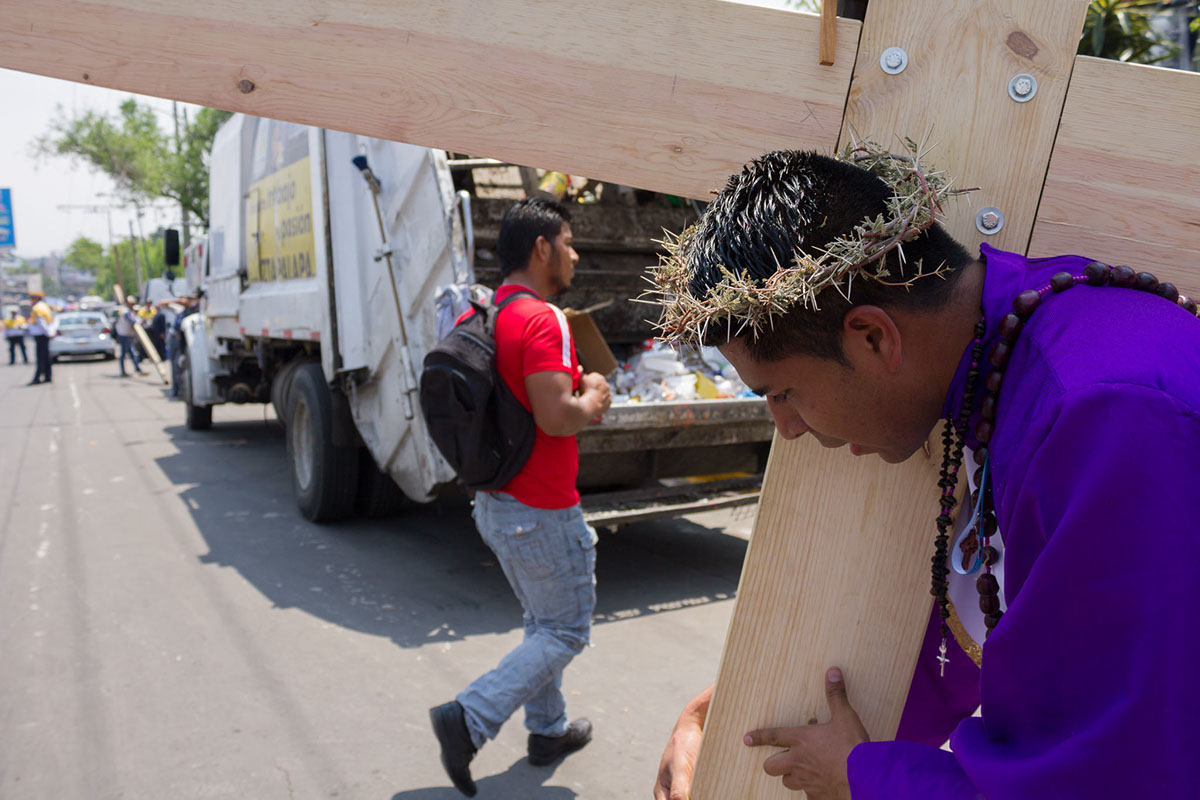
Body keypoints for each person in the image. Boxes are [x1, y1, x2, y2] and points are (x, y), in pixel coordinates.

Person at [648, 147, 1200, 800]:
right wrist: (727, 710)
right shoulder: (1020, 346)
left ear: (874, 338)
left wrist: (864, 778)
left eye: (783, 392)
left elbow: (1122, 777)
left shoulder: (1109, 417)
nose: (787, 428)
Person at [429, 198, 612, 797]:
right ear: (542, 249)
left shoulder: (492, 312)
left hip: (499, 504)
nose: (575, 253)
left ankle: (548, 729)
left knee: (542, 621)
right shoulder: (543, 319)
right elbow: (557, 417)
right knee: (565, 632)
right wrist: (595, 396)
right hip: (540, 508)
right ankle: (470, 717)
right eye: (568, 240)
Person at [114, 296, 147, 377]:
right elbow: (132, 321)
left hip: (127, 335)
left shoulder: (128, 311)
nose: (132, 305)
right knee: (124, 354)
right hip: (124, 335)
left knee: (132, 353)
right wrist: (138, 322)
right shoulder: (125, 312)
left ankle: (137, 369)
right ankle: (123, 371)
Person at [26, 291, 53, 385]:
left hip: (41, 335)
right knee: (45, 357)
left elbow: (42, 323)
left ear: (36, 299)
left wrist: (48, 334)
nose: (31, 301)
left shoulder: (37, 308)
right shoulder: (44, 306)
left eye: (32, 299)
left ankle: (38, 377)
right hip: (44, 335)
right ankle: (47, 376)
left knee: (40, 357)